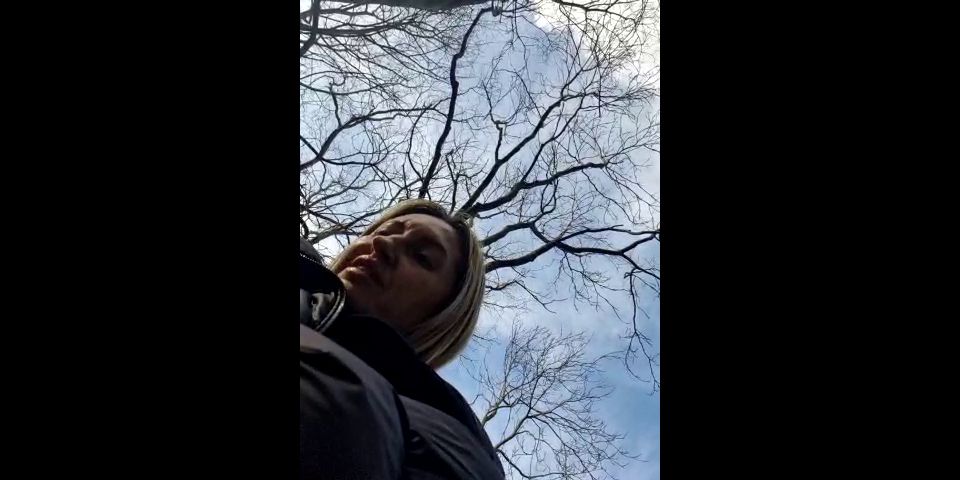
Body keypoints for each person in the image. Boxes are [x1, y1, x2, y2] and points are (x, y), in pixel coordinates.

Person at [299, 199, 505, 480]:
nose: (383, 243)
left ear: (445, 311)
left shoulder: (453, 439)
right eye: (382, 232)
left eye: (422, 256)